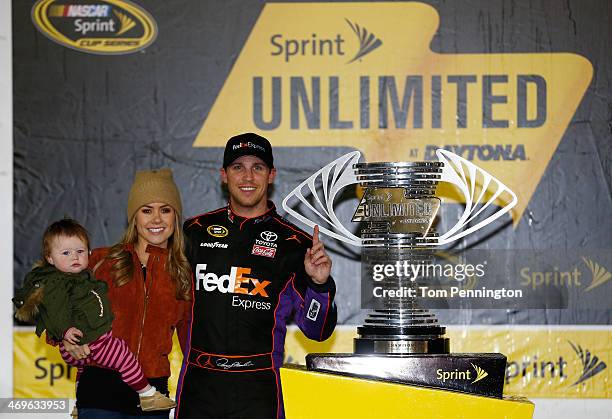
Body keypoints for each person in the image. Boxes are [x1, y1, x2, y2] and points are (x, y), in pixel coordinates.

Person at [176, 133, 337, 419]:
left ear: (271, 175)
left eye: (258, 167)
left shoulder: (295, 244)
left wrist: (319, 284)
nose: (247, 176)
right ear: (224, 175)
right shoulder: (194, 232)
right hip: (199, 388)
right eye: (238, 167)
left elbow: (317, 330)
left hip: (258, 390)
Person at [62, 168, 192, 418]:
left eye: (165, 210)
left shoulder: (183, 274)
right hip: (100, 393)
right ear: (134, 216)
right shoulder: (100, 261)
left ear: (175, 217)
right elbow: (51, 294)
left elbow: (191, 342)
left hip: (153, 397)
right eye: (146, 210)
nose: (156, 219)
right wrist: (63, 334)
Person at [12, 219, 176, 412]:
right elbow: (52, 311)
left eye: (80, 252)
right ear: (50, 258)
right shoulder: (58, 283)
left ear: (88, 252)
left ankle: (78, 401)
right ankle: (147, 393)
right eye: (66, 253)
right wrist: (65, 333)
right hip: (88, 340)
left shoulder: (85, 275)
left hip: (89, 342)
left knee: (83, 369)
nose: (75, 257)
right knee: (122, 355)